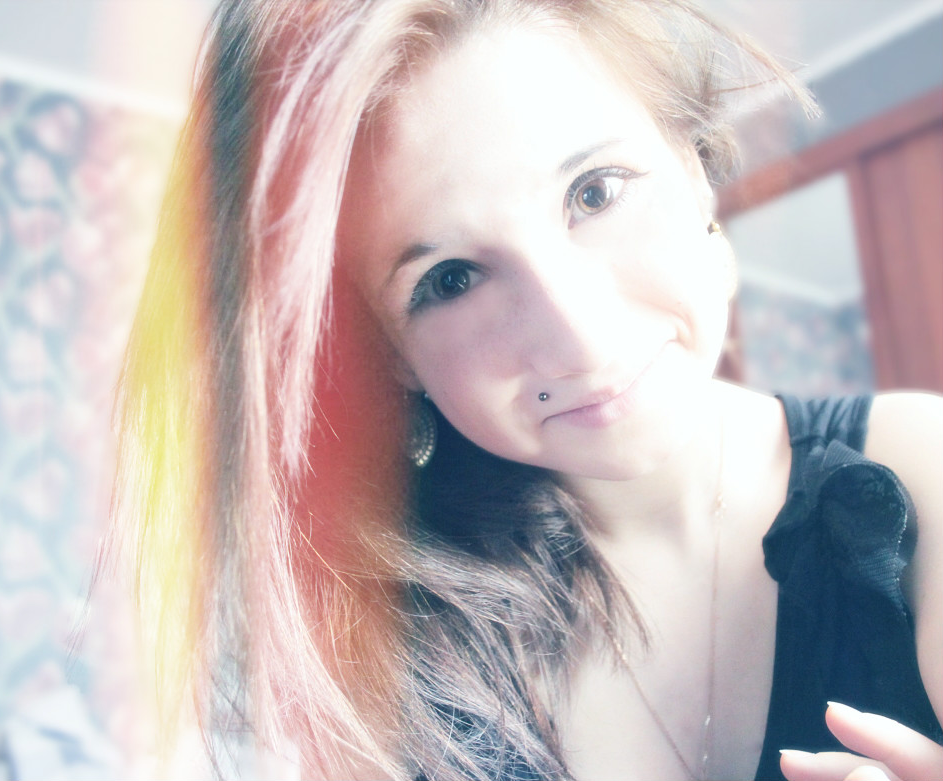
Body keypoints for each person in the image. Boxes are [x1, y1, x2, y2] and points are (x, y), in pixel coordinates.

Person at [109, 1, 943, 779]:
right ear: (388, 354)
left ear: (692, 171)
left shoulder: (919, 466)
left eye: (595, 192)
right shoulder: (383, 650)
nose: (579, 338)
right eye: (451, 279)